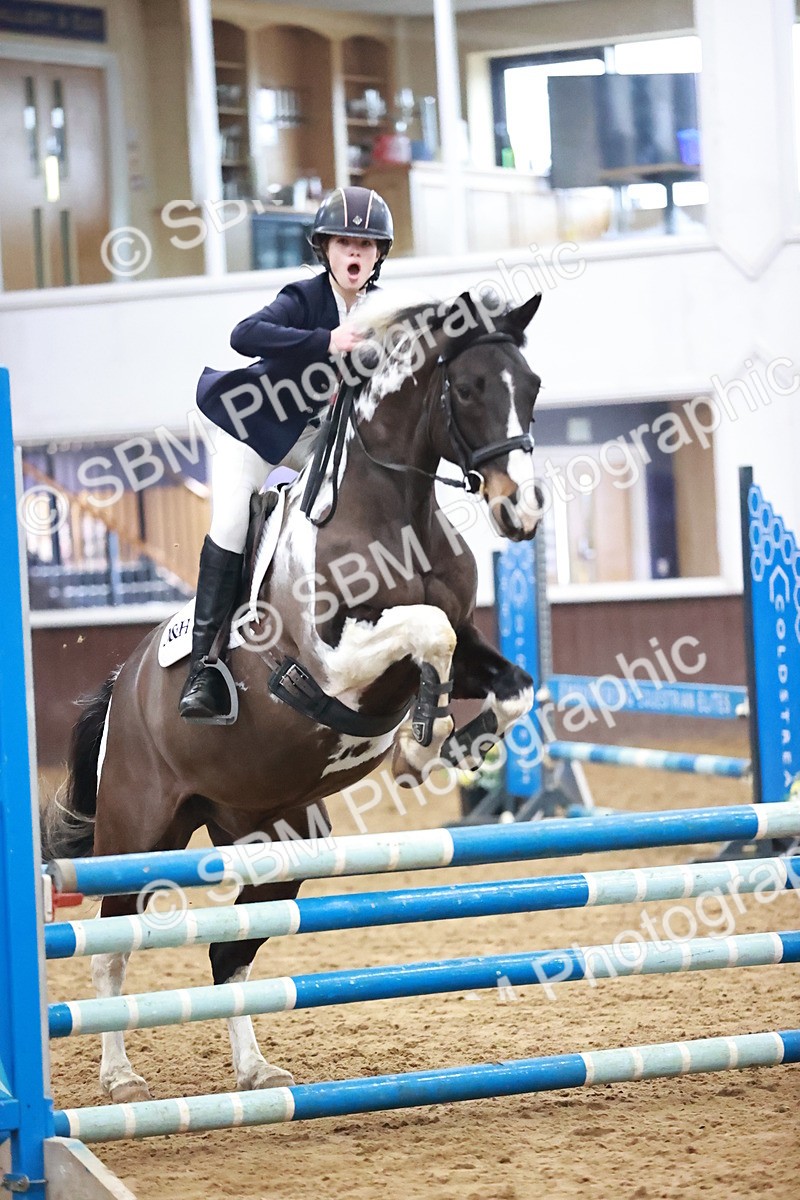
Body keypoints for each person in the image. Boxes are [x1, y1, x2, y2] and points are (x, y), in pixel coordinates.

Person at [179, 186, 394, 722]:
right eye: (345, 241)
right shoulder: (303, 298)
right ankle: (203, 669)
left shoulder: (383, 311)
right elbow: (243, 334)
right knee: (230, 521)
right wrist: (326, 342)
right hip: (252, 427)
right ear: (326, 249)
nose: (355, 252)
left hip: (317, 437)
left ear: (377, 256)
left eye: (365, 245)